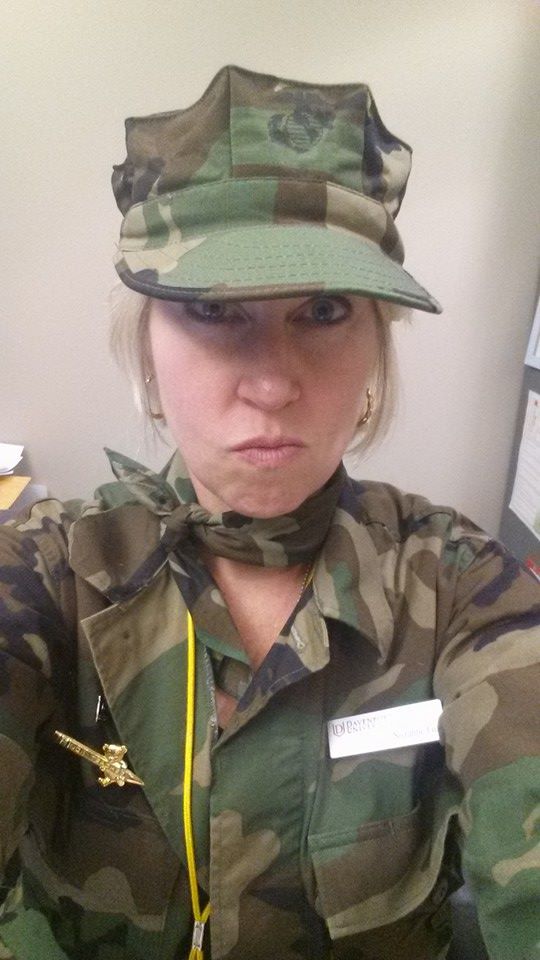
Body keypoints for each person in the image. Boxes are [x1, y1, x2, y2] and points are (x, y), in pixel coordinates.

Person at [0, 65, 538, 960]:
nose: (273, 383)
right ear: (147, 351)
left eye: (323, 310)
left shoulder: (458, 590)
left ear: (375, 349)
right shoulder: (49, 574)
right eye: (214, 311)